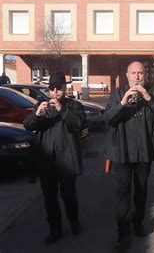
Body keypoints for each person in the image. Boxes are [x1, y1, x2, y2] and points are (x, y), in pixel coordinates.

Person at [103, 61, 154, 250]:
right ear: (127, 74)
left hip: (144, 151)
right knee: (123, 194)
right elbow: (107, 119)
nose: (138, 76)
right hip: (122, 151)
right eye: (134, 73)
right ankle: (123, 234)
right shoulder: (118, 93)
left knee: (141, 191)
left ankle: (137, 223)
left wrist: (149, 97)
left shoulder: (153, 92)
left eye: (141, 73)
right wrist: (123, 102)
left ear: (145, 75)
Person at [23, 72, 87, 245]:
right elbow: (28, 125)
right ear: (49, 89)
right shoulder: (41, 105)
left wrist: (61, 108)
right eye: (52, 88)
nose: (55, 92)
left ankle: (74, 222)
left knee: (69, 195)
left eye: (59, 88)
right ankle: (55, 229)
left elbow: (80, 124)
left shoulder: (73, 105)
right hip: (47, 161)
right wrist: (38, 114)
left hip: (66, 159)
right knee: (49, 198)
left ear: (64, 89)